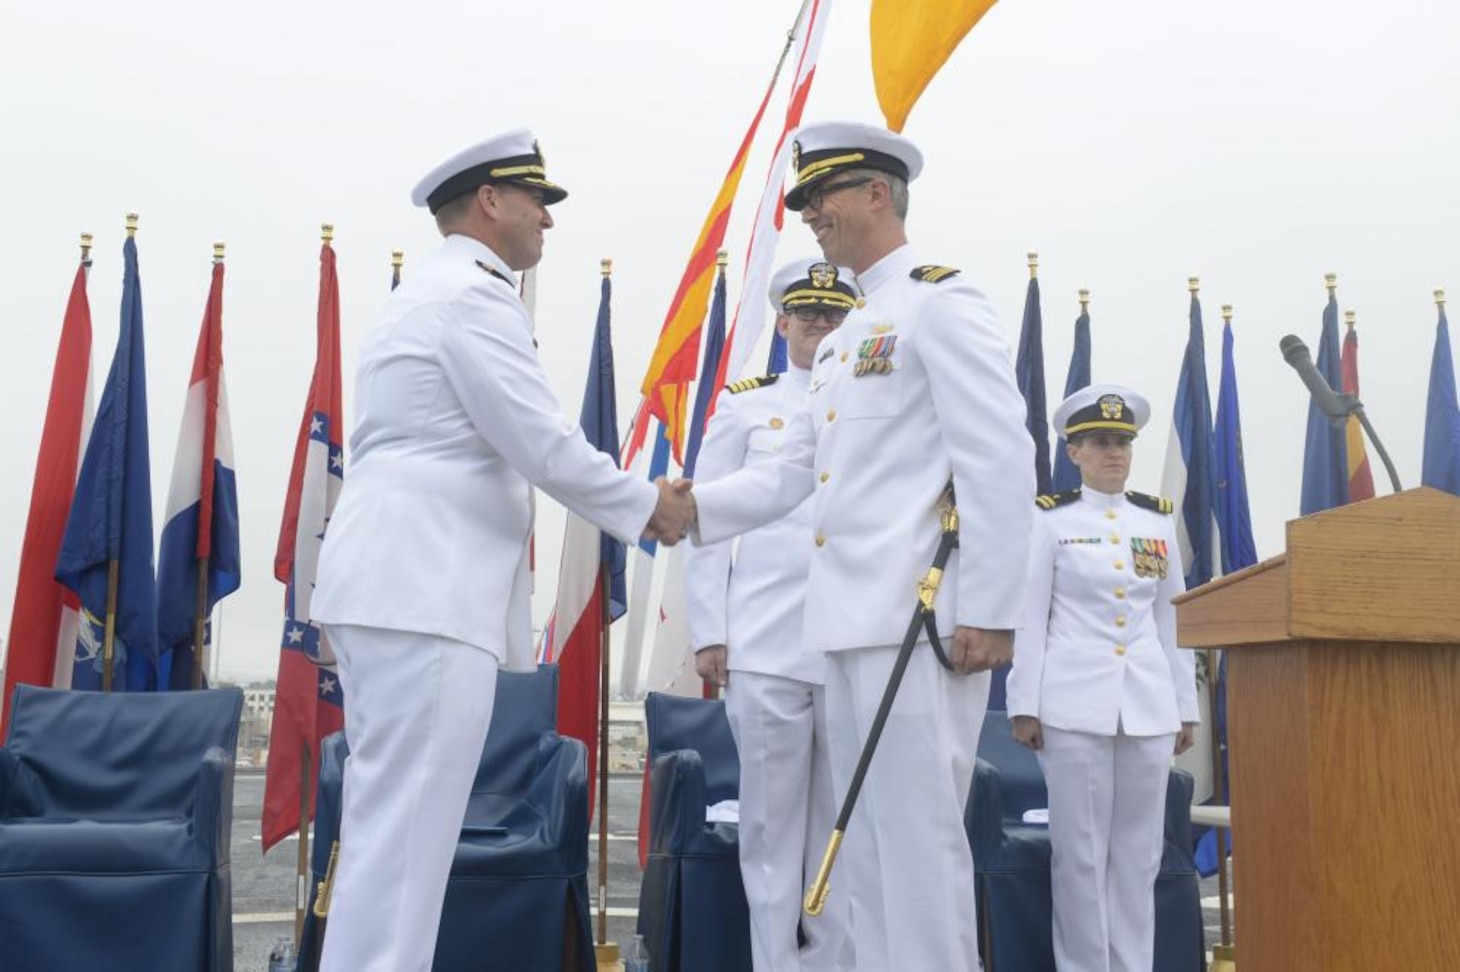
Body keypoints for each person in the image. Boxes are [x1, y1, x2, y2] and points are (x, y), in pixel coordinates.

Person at [308, 128, 695, 972]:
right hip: (424, 593)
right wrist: (648, 505)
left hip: (401, 589)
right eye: (536, 203)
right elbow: (541, 442)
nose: (546, 224)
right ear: (490, 202)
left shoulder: (431, 292)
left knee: (389, 835)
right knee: (406, 839)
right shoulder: (473, 298)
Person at [687, 120, 1035, 970]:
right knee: (865, 854)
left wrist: (993, 610)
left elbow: (999, 459)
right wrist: (678, 510)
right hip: (839, 628)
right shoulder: (846, 336)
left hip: (917, 626)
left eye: (822, 198)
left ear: (877, 195)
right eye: (803, 200)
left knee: (918, 851)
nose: (810, 214)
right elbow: (790, 475)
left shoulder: (938, 303)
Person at [685, 258, 858, 972]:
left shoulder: (873, 403)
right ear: (782, 322)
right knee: (769, 824)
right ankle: (773, 963)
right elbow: (706, 521)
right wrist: (710, 630)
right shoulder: (745, 404)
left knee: (842, 826)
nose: (819, 326)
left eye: (833, 315)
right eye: (807, 313)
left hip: (852, 640)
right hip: (764, 640)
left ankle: (833, 963)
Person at [1005, 383, 1199, 972]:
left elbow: (1171, 619)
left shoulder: (1156, 522)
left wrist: (1183, 705)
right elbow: (1029, 618)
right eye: (1099, 442)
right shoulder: (1051, 521)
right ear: (1074, 453)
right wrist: (1024, 704)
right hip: (1071, 706)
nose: (1114, 452)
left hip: (1145, 706)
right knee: (1081, 857)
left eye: (1121, 441)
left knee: (1138, 858)